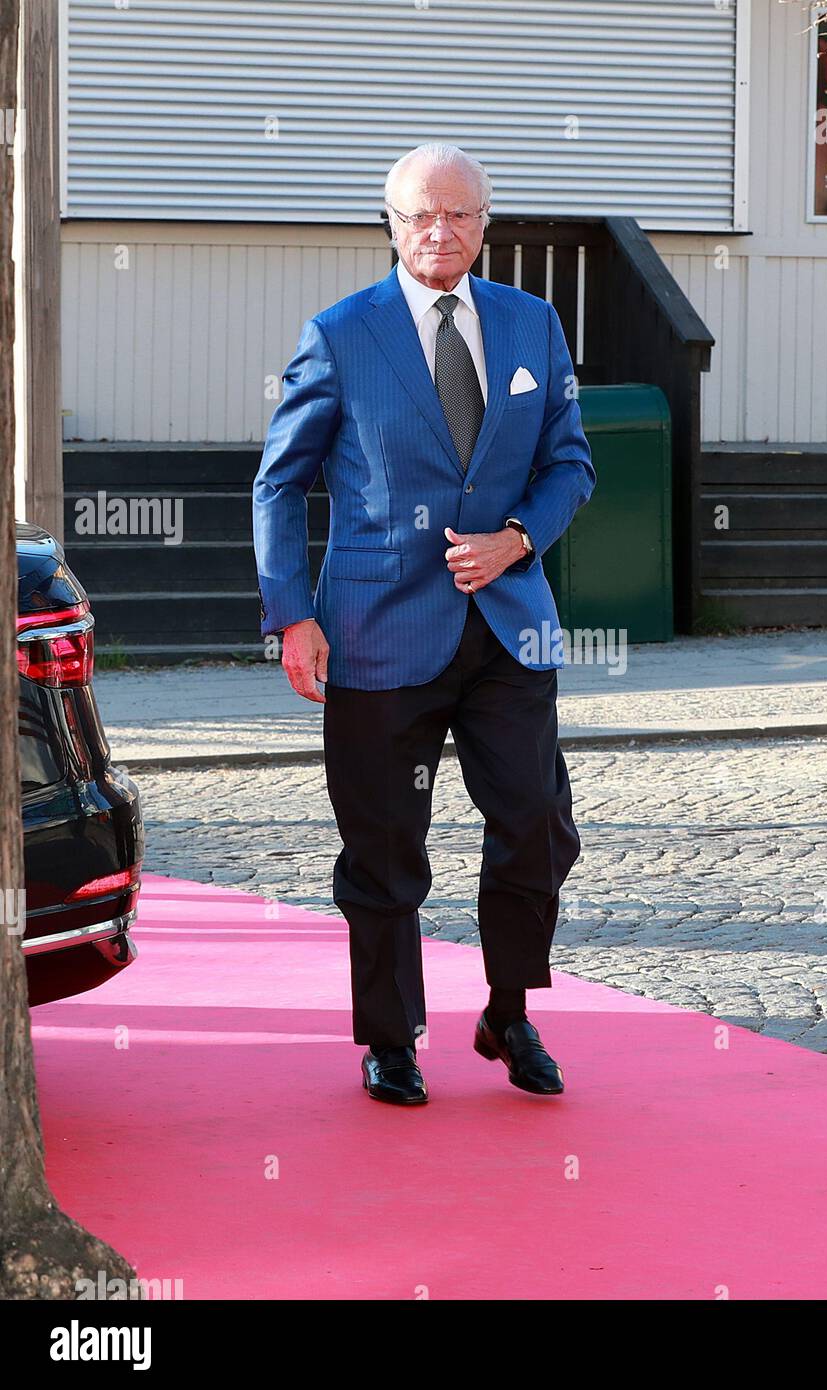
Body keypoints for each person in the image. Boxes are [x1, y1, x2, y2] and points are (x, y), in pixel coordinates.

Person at [253, 143, 595, 1105]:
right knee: (384, 846)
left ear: (486, 224)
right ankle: (390, 1037)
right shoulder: (340, 334)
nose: (440, 231)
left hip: (506, 630)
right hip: (375, 632)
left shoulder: (532, 324)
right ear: (390, 222)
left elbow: (570, 464)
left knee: (536, 828)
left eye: (460, 214)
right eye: (419, 214)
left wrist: (517, 539)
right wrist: (292, 617)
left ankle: (508, 1012)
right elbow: (280, 483)